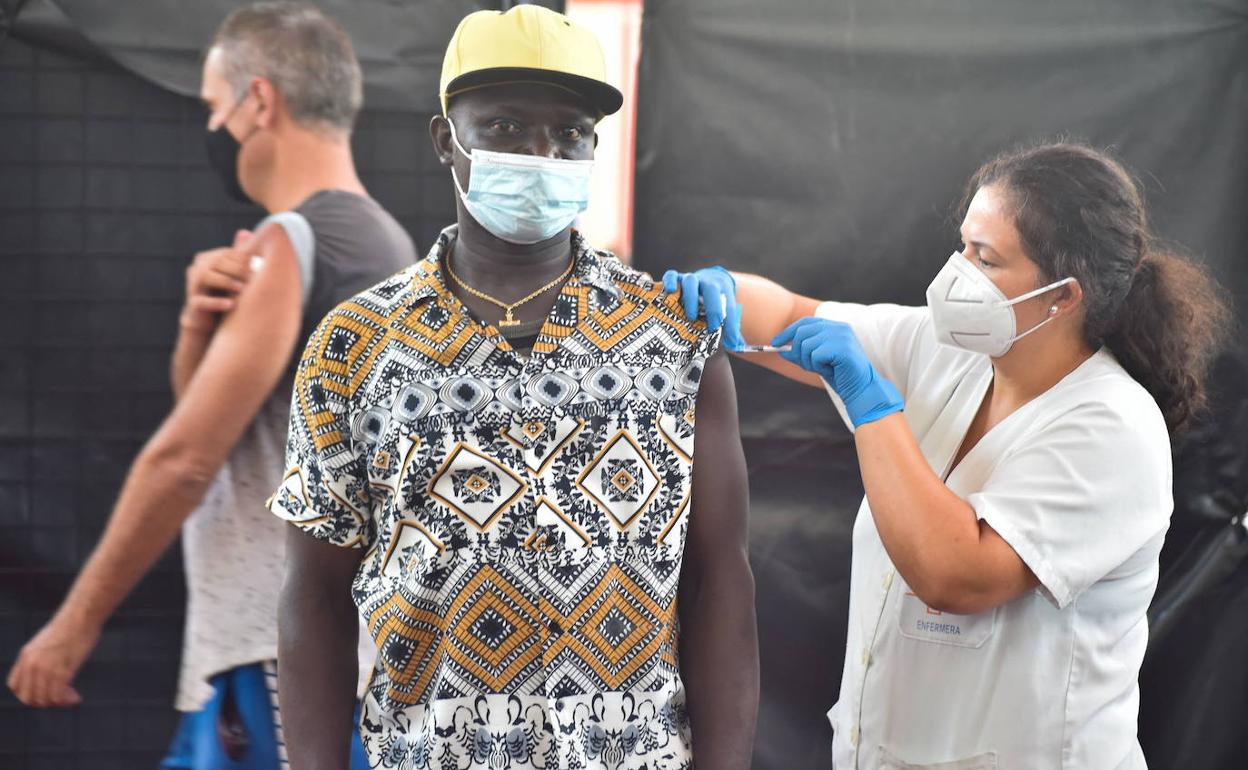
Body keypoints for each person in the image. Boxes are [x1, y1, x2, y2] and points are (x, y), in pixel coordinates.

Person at [267, 6, 759, 769]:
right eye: (502, 127)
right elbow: (314, 596)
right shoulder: (353, 348)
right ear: (445, 140)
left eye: (570, 134)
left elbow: (719, 579)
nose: (541, 153)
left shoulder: (675, 340)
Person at [665, 143, 1230, 769]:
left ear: (1063, 296)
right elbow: (794, 313)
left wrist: (873, 408)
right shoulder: (947, 352)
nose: (958, 273)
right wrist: (716, 293)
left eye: (986, 259)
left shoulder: (1113, 427)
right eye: (964, 246)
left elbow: (954, 574)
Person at [6, 3, 416, 768]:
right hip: (330, 655)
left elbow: (187, 457)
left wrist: (72, 627)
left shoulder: (295, 241)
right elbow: (231, 429)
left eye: (210, 107)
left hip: (284, 654)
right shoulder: (384, 243)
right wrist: (200, 330)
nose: (211, 127)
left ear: (258, 102)